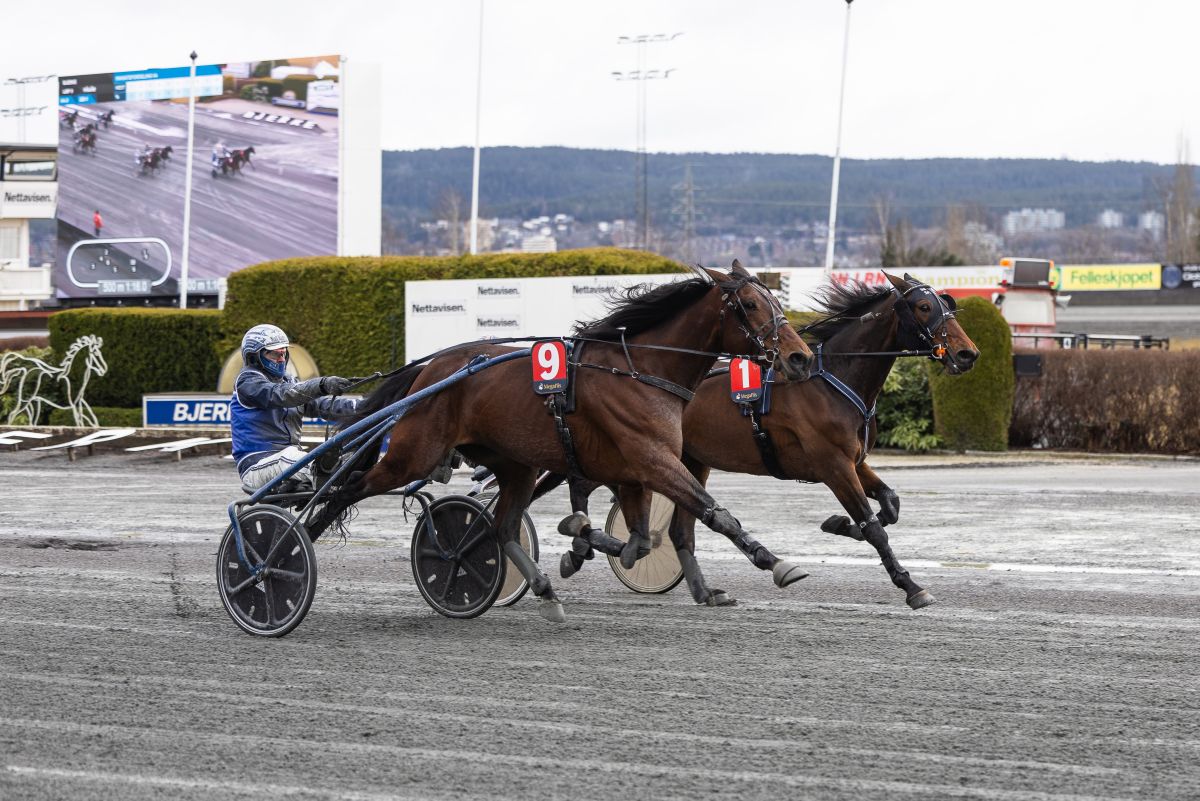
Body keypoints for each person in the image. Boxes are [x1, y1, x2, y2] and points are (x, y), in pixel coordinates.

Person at [231, 323, 358, 493]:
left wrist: (365, 407)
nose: (281, 359)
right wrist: (322, 384)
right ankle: (330, 473)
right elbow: (282, 395)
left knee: (339, 455)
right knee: (290, 457)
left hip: (287, 461)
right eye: (275, 354)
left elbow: (322, 405)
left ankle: (341, 471)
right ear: (254, 356)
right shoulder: (247, 382)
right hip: (256, 465)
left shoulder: (289, 382)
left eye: (283, 353)